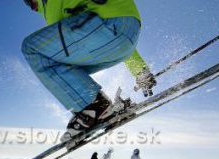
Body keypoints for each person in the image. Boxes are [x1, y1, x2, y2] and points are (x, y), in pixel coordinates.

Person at [22, 0, 156, 140]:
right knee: (63, 65)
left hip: (108, 24)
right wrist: (140, 71)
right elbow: (119, 40)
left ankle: (95, 107)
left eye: (29, 2)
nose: (31, 7)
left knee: (33, 50)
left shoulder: (49, 6)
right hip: (127, 30)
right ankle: (98, 107)